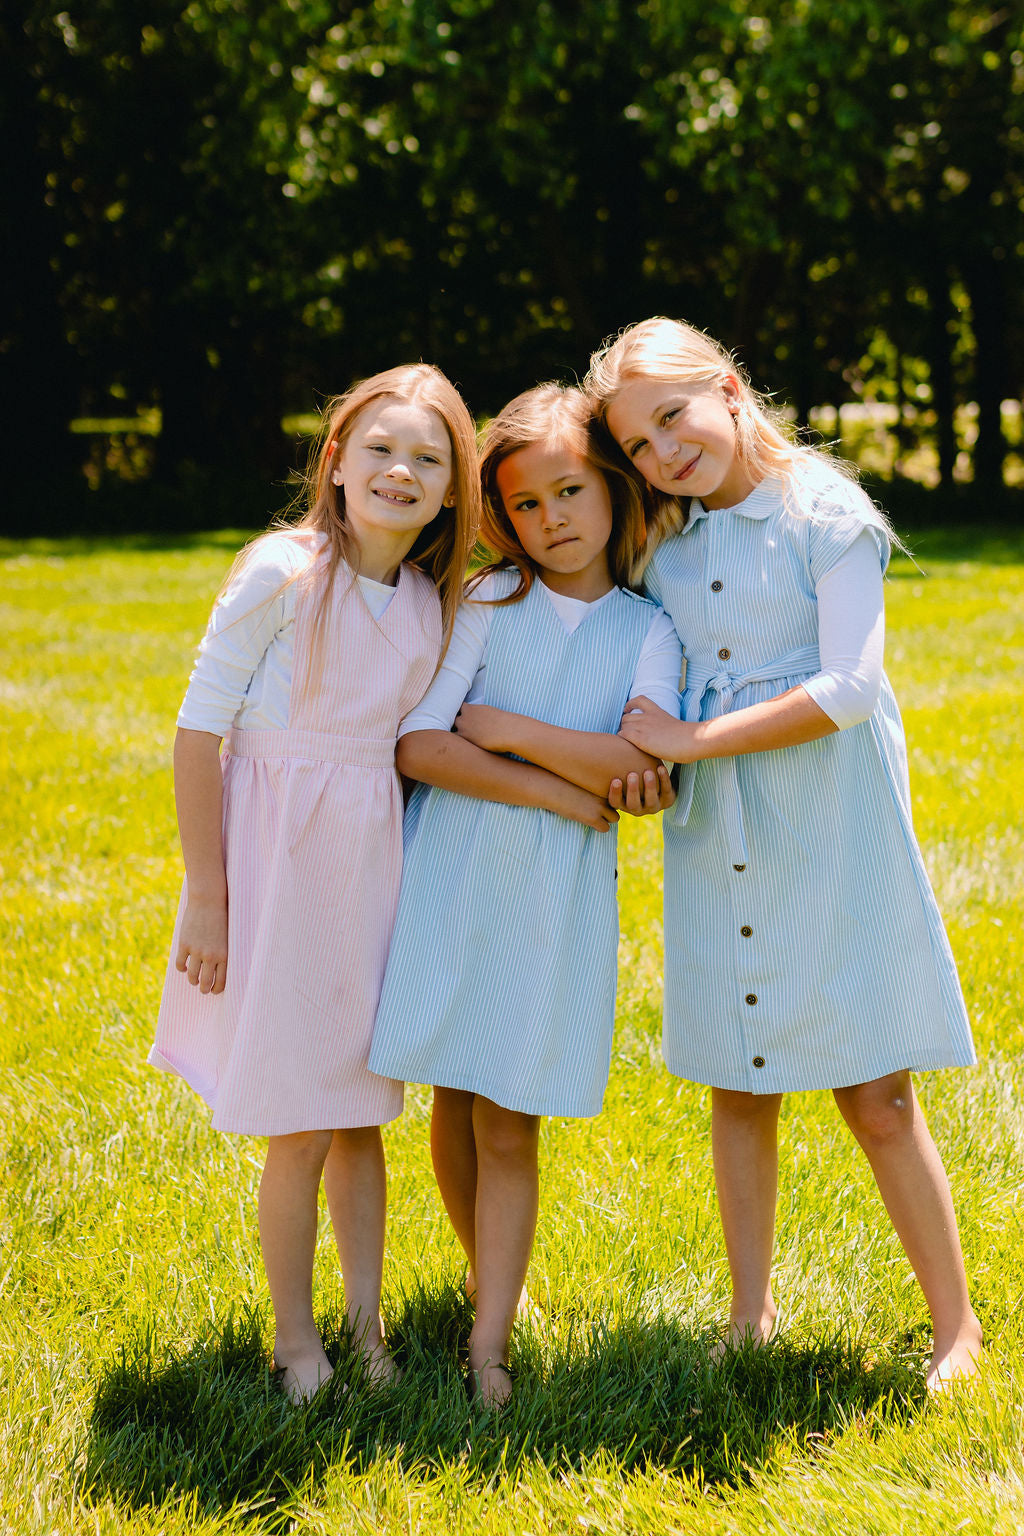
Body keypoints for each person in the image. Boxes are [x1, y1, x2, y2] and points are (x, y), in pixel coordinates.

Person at [586, 317, 981, 1391]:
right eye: (635, 446)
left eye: (671, 419)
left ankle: (956, 1330)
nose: (661, 455)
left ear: (725, 387)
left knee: (875, 1092)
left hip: (831, 823)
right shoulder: (666, 539)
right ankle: (748, 1312)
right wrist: (643, 744)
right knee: (737, 1076)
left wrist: (693, 742)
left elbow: (850, 687)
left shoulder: (824, 512)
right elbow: (652, 665)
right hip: (724, 834)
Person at [149, 364, 480, 1405]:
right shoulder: (280, 572)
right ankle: (297, 1342)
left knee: (358, 1111)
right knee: (298, 1120)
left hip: (369, 865)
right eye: (380, 448)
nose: (402, 470)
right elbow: (200, 727)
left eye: (429, 459)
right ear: (335, 463)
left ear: (449, 491)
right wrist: (209, 893)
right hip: (275, 862)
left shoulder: (428, 600)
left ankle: (367, 1326)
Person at [367, 383, 682, 1408]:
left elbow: (643, 766)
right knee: (455, 1092)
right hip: (453, 883)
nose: (552, 520)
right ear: (501, 517)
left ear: (612, 488)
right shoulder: (490, 603)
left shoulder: (649, 630)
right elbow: (419, 744)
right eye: (527, 505)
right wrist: (559, 780)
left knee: (511, 1119)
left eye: (570, 491)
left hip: (554, 905)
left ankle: (490, 1342)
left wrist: (502, 730)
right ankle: (482, 1282)